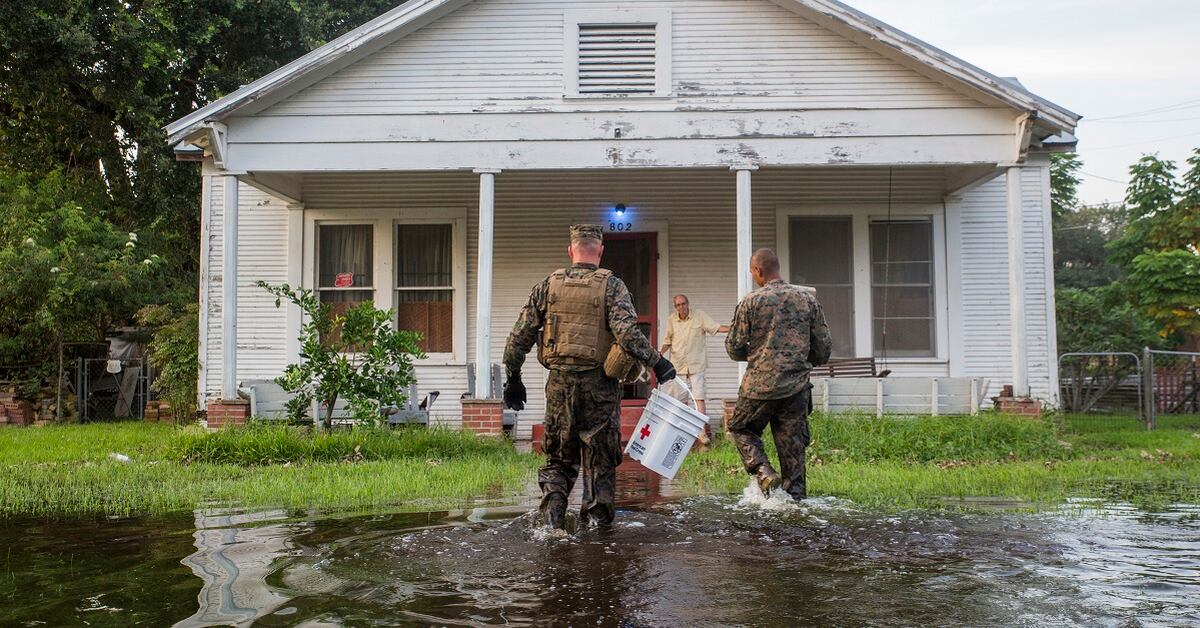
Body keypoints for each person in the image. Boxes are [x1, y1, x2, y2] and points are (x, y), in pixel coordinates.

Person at [503, 224, 676, 529]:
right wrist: (657, 362)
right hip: (600, 388)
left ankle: (552, 526)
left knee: (558, 460)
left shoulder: (548, 286)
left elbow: (520, 336)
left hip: (559, 386)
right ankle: (596, 532)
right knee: (600, 461)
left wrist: (513, 378)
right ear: (601, 250)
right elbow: (627, 333)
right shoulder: (612, 286)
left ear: (571, 250)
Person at [724, 248, 832, 499]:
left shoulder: (751, 302)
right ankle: (796, 509)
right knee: (793, 452)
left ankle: (762, 469)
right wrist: (799, 361)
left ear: (758, 271)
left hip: (759, 387)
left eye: (752, 272)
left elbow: (734, 348)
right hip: (795, 389)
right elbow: (823, 349)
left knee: (741, 428)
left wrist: (757, 356)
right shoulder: (808, 300)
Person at [659, 294, 728, 443]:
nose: (681, 307)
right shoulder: (671, 320)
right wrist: (659, 354)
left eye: (683, 304)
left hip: (697, 364)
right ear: (675, 306)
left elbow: (715, 327)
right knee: (680, 400)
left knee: (699, 398)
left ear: (688, 303)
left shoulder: (699, 316)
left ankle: (702, 433)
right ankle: (682, 432)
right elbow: (667, 341)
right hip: (678, 365)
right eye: (678, 305)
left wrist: (733, 329)